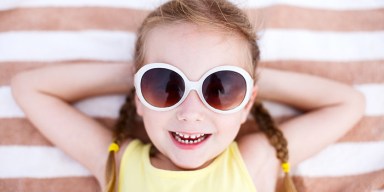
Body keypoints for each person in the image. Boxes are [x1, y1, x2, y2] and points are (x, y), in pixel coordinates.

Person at [10, 0, 365, 191]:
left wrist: (245, 76)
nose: (190, 111)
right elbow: (29, 88)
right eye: (165, 85)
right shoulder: (119, 165)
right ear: (138, 95)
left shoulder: (254, 161)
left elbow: (349, 103)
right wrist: (133, 73)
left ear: (248, 102)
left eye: (220, 88)